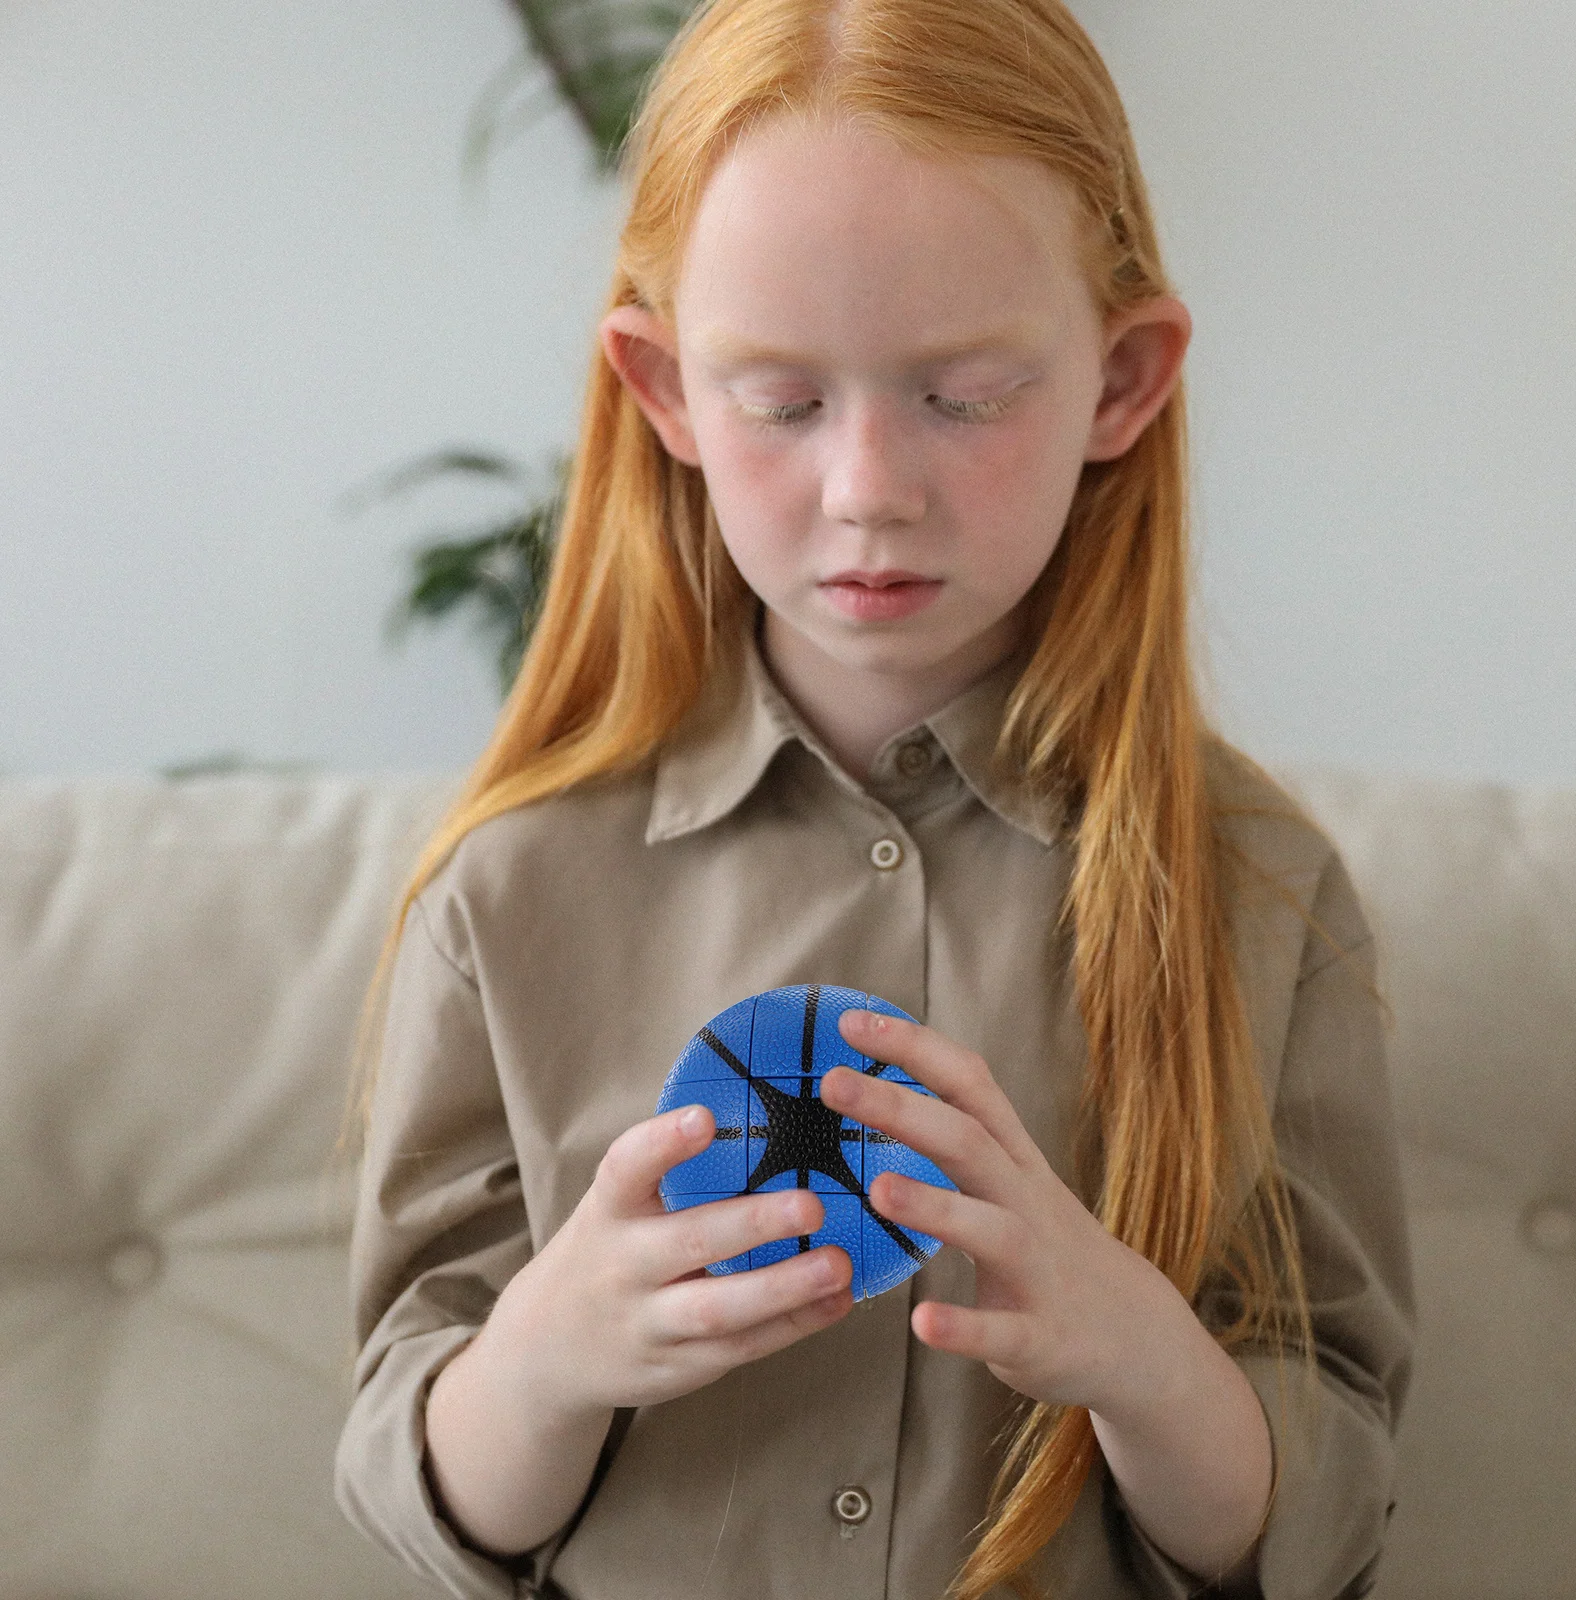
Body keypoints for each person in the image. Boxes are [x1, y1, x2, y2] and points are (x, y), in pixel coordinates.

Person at [334, 1, 1415, 1596]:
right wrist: (547, 1361)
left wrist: (1139, 1353)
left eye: (964, 394)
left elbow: (1327, 1504)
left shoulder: (1258, 891)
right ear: (664, 392)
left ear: (1123, 382)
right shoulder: (510, 894)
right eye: (781, 400)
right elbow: (410, 1477)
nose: (868, 489)